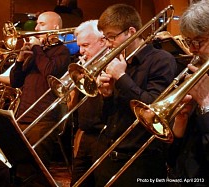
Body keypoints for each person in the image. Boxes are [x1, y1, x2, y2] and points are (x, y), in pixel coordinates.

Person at [93, 4, 177, 187]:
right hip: (109, 155)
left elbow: (154, 109)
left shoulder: (162, 60)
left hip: (141, 162)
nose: (108, 44)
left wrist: (122, 78)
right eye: (105, 38)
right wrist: (106, 96)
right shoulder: (119, 62)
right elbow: (107, 117)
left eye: (111, 37)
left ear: (131, 32)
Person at [9, 11, 71, 185]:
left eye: (41, 24)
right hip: (22, 117)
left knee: (36, 174)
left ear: (55, 28)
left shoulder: (62, 51)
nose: (36, 28)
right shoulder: (36, 52)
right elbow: (15, 81)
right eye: (37, 24)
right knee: (17, 170)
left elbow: (50, 71)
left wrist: (36, 48)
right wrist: (20, 60)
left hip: (43, 120)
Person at [167, 1, 209, 186]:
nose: (192, 49)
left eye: (198, 41)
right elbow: (175, 154)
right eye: (188, 41)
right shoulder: (197, 74)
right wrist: (180, 121)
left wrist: (207, 105)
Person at [69, 20, 106, 187]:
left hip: (104, 136)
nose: (81, 52)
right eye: (79, 46)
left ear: (103, 41)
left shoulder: (116, 63)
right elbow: (71, 105)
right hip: (86, 134)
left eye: (85, 45)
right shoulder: (85, 64)